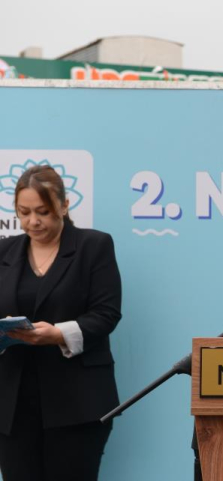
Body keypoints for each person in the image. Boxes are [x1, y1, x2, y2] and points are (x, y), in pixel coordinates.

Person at [0, 165, 122, 481]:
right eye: (24, 212)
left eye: (43, 211)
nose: (33, 221)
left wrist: (58, 334)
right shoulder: (4, 251)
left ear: (64, 205)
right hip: (13, 405)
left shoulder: (94, 246)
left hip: (78, 402)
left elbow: (106, 314)